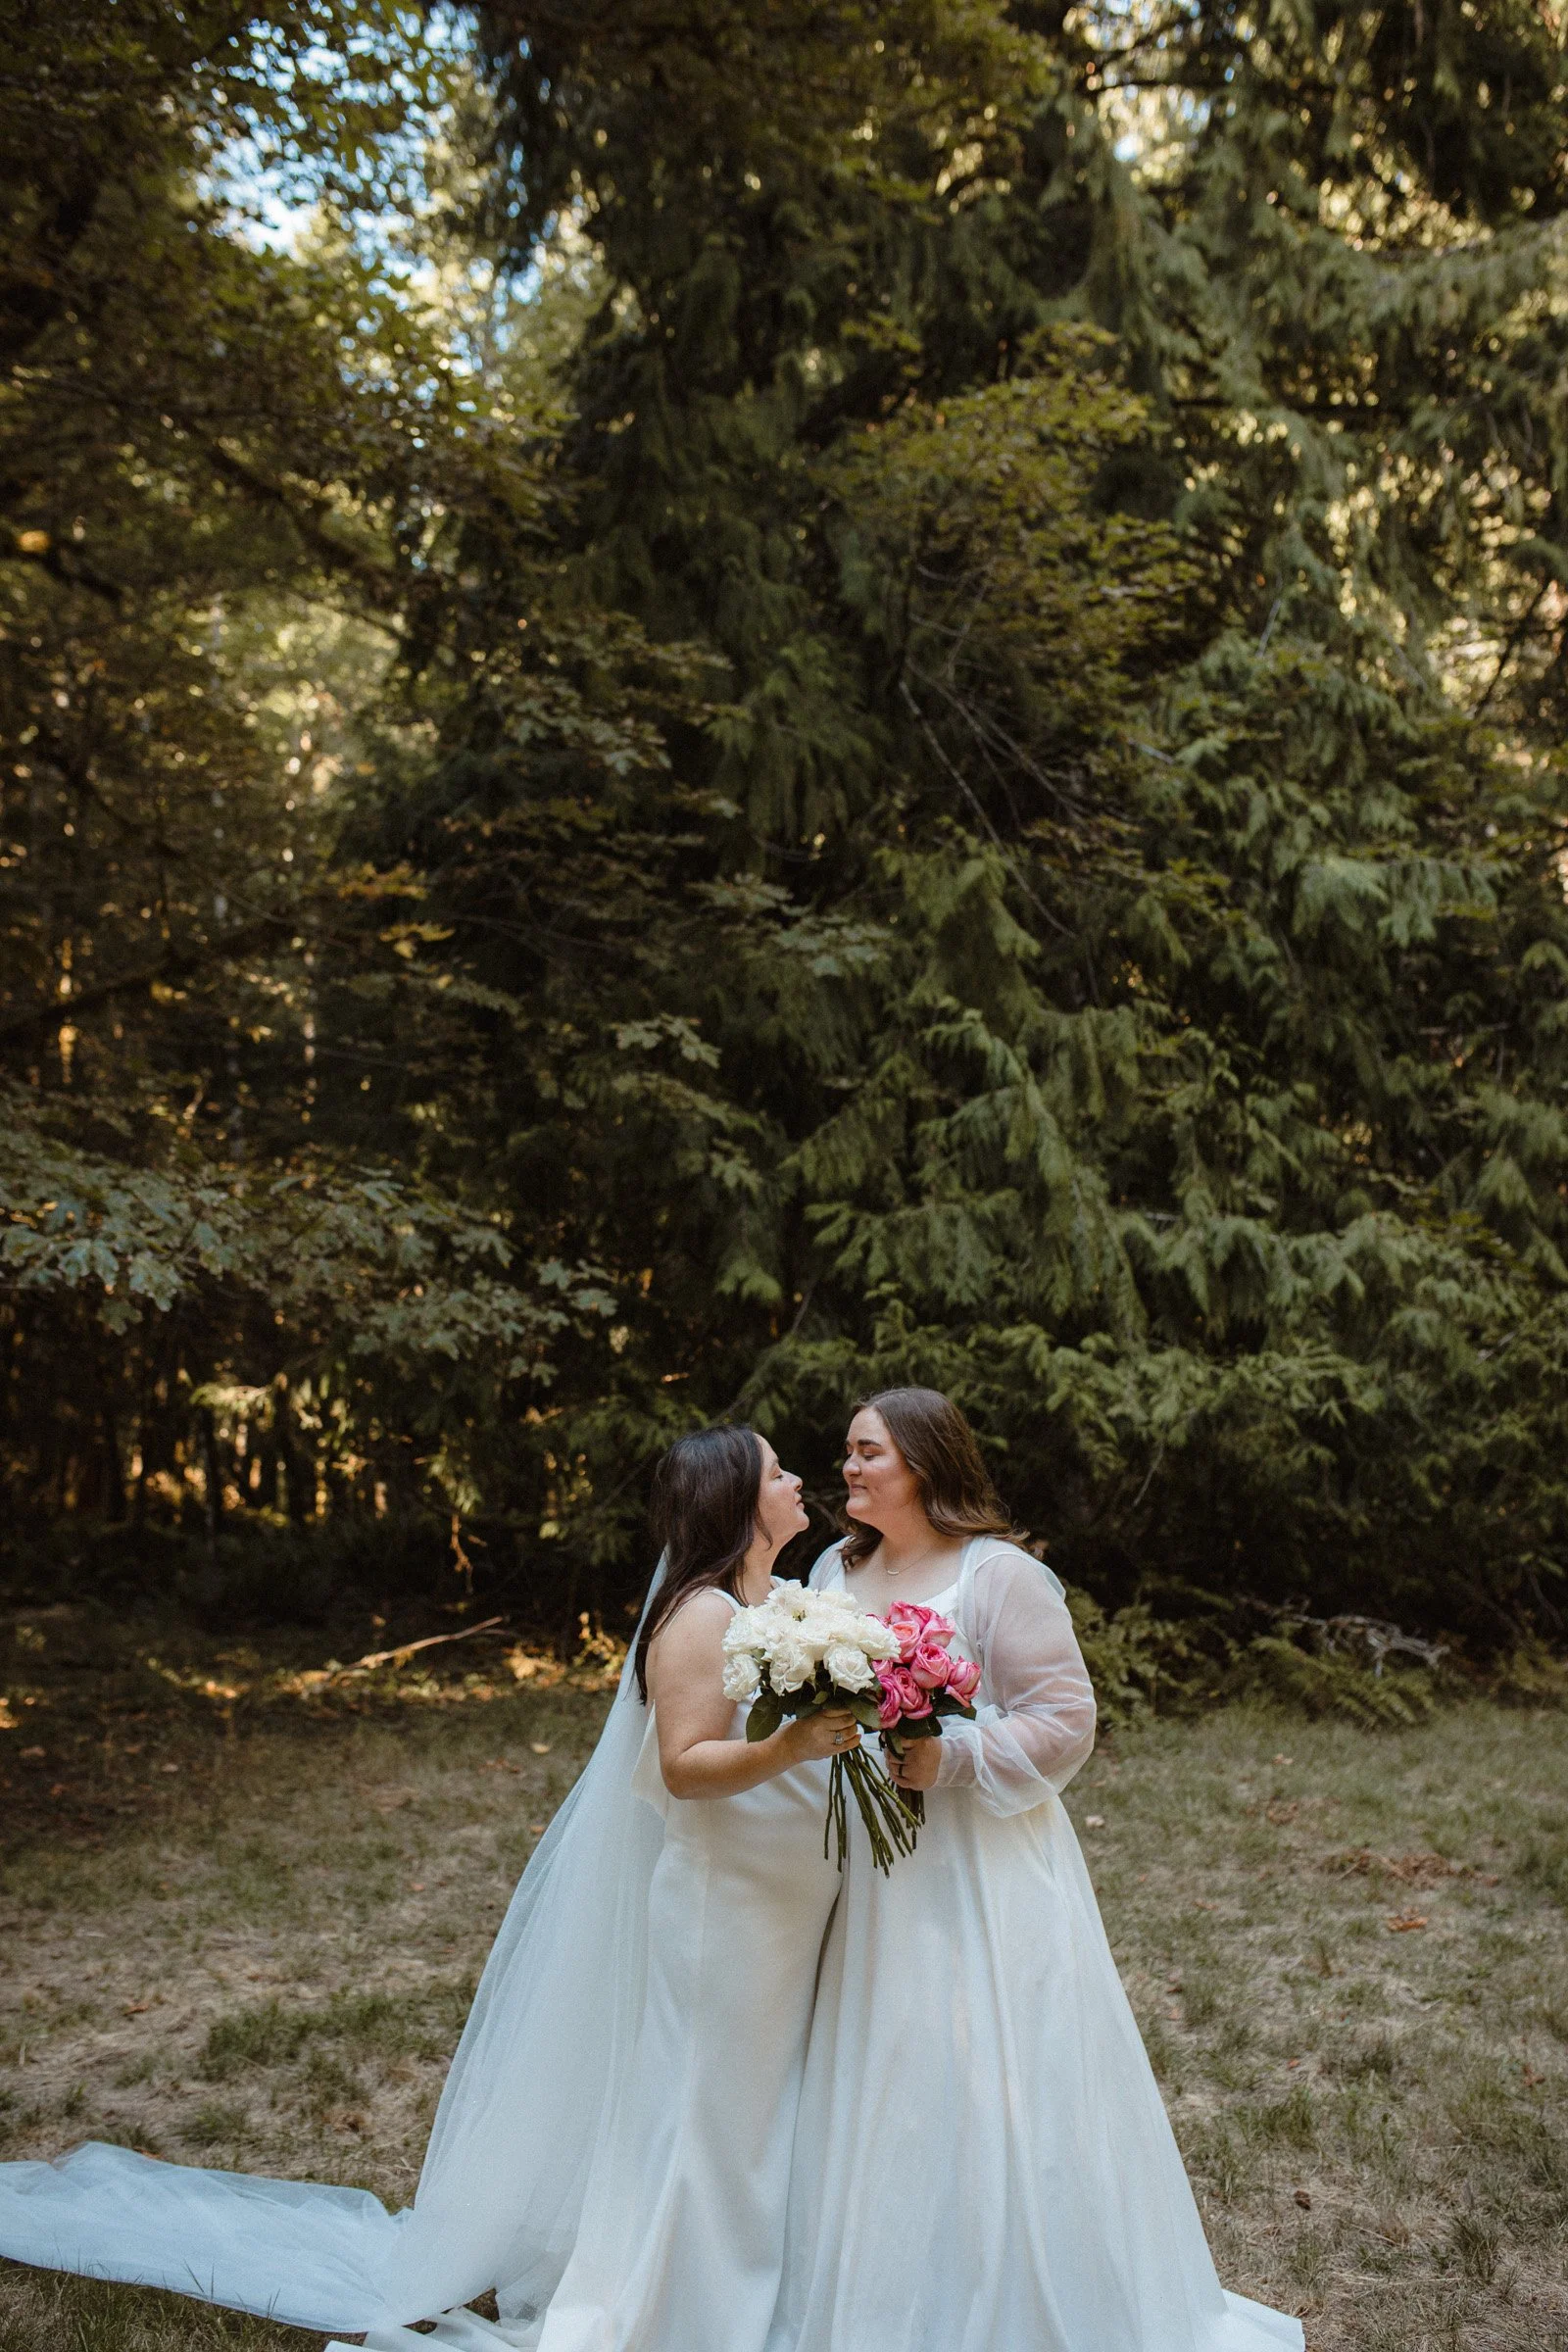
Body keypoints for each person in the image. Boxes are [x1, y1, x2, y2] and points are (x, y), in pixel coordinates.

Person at [0, 1426, 858, 2352]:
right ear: (737, 1500)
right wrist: (790, 1748)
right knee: (705, 2103)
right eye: (778, 1471)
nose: (798, 1478)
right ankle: (678, 2297)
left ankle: (741, 2278)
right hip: (718, 1909)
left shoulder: (773, 1604)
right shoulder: (700, 1617)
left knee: (752, 2103)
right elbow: (686, 1766)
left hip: (768, 1900)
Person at [767, 1386, 1304, 2352]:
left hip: (984, 1862)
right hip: (873, 1869)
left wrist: (955, 1758)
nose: (846, 1469)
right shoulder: (830, 1569)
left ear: (925, 1464)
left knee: (991, 2054)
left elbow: (1065, 1720)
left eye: (866, 1453)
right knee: (885, 2051)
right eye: (845, 1453)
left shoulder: (997, 1575)